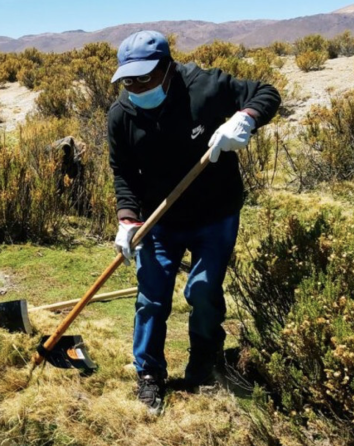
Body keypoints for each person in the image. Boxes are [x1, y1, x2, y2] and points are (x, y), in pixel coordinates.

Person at [107, 30, 281, 414]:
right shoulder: (121, 115)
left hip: (215, 214)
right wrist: (128, 219)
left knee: (202, 290)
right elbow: (124, 174)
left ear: (168, 68)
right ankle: (149, 374)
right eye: (128, 81)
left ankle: (204, 361)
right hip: (159, 221)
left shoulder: (205, 86)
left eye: (144, 78)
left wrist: (246, 118)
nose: (136, 88)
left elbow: (266, 92)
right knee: (152, 296)